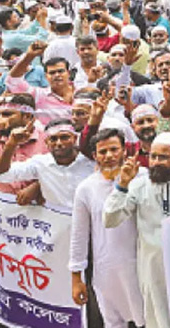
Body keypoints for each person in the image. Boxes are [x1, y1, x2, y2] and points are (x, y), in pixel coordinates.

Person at [103, 132, 170, 328]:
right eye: (153, 156)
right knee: (158, 318)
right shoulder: (138, 185)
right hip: (152, 267)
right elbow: (110, 219)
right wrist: (123, 184)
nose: (156, 162)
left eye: (163, 157)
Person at [69, 129, 145, 328]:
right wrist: (76, 278)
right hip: (107, 270)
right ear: (95, 156)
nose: (109, 155)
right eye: (103, 152)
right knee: (113, 322)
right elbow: (79, 235)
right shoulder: (86, 188)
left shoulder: (143, 178)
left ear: (124, 151)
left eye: (114, 149)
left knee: (147, 320)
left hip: (141, 266)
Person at [0, 118, 96, 208]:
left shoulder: (92, 162)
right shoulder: (40, 163)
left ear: (75, 139)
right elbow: (0, 175)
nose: (59, 143)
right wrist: (11, 144)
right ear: (46, 143)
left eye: (64, 137)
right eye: (53, 139)